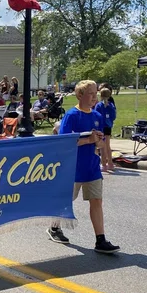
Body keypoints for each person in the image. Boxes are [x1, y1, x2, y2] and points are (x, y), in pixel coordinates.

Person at [47, 80, 119, 254]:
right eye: (91, 94)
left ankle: (100, 239)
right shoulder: (72, 115)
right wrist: (88, 140)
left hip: (91, 166)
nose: (95, 97)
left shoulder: (97, 116)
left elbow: (100, 143)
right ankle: (54, 228)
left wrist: (99, 142)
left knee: (97, 201)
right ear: (80, 95)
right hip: (72, 167)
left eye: (96, 93)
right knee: (66, 201)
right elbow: (63, 143)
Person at [94, 87, 116, 172]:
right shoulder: (111, 105)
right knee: (108, 146)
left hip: (101, 127)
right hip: (108, 127)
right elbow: (113, 116)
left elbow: (95, 115)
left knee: (102, 146)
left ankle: (103, 164)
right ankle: (110, 163)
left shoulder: (98, 105)